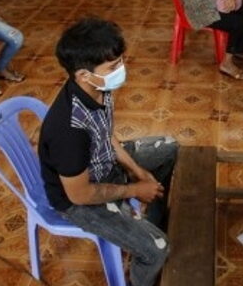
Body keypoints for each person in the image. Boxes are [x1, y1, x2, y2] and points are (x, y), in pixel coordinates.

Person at [38, 18, 178, 286]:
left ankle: (153, 216)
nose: (122, 69)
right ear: (83, 74)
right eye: (114, 67)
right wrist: (135, 190)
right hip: (78, 199)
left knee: (169, 147)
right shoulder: (69, 131)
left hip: (103, 164)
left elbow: (105, 133)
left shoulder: (99, 87)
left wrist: (137, 171)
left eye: (122, 61)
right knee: (156, 249)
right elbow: (80, 194)